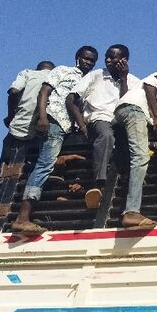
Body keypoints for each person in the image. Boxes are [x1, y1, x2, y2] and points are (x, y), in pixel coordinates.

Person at [10, 46, 98, 234]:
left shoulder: (87, 81)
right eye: (85, 58)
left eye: (92, 60)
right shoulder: (63, 71)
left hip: (69, 129)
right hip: (55, 121)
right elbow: (44, 92)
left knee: (57, 165)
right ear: (77, 58)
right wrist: (42, 116)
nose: (88, 63)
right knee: (45, 164)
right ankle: (22, 217)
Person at [66, 44, 141, 209]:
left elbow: (125, 104)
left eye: (112, 57)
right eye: (107, 56)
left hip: (121, 121)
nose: (107, 60)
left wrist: (123, 78)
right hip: (99, 118)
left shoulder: (134, 81)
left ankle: (128, 183)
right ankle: (99, 183)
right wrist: (82, 125)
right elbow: (71, 99)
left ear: (124, 60)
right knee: (106, 136)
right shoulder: (96, 76)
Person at [113, 69, 157, 227]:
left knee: (133, 156)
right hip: (134, 109)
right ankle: (131, 212)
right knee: (140, 157)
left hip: (131, 111)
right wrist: (156, 115)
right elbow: (149, 84)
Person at [0, 61, 55, 177]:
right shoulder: (55, 76)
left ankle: (2, 180)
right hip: (42, 128)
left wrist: (11, 116)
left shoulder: (28, 73)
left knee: (6, 159)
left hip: (19, 126)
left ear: (37, 69)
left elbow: (13, 92)